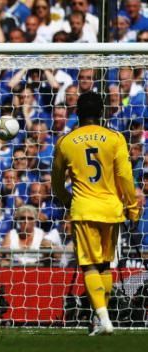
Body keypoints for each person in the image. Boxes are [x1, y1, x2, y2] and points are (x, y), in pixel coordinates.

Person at [51, 91, 139, 336]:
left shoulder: (66, 142)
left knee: (89, 267)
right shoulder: (115, 138)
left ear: (77, 112)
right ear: (101, 113)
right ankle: (102, 318)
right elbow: (125, 177)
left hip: (84, 209)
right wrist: (132, 207)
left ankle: (103, 320)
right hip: (111, 210)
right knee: (105, 267)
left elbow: (57, 183)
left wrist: (69, 200)